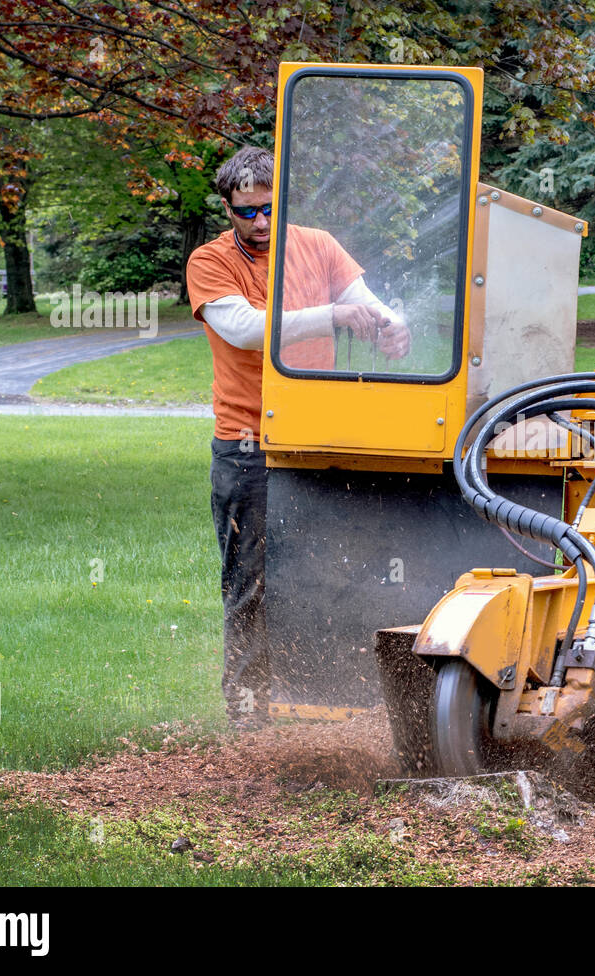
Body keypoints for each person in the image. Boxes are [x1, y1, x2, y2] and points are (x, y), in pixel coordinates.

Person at [186, 145, 409, 730]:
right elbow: (250, 330)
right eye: (245, 213)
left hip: (322, 439)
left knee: (334, 577)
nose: (259, 225)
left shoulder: (318, 244)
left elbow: (368, 304)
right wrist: (333, 316)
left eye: (268, 210)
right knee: (251, 589)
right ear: (228, 208)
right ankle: (249, 723)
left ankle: (334, 709)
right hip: (248, 446)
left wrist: (392, 326)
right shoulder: (209, 262)